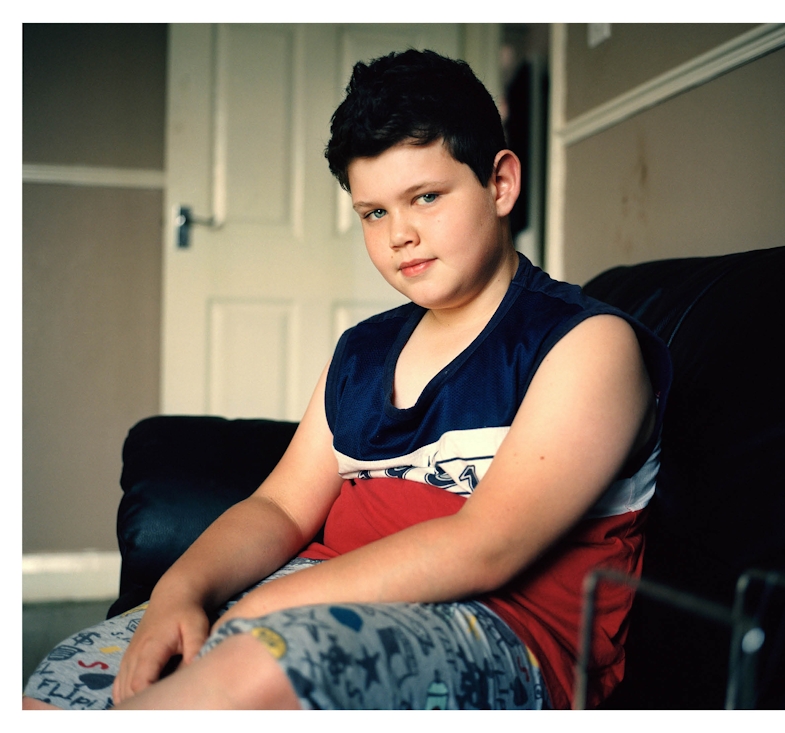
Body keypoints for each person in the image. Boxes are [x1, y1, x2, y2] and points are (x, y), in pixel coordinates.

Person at [24, 49, 670, 711]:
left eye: (425, 197)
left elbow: (486, 545)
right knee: (66, 681)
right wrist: (178, 591)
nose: (401, 235)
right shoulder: (361, 352)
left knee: (252, 669)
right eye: (375, 213)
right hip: (317, 592)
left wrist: (273, 601)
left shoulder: (586, 344)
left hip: (501, 632)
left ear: (501, 183)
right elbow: (278, 508)